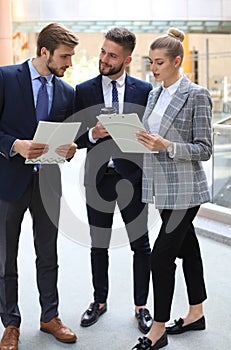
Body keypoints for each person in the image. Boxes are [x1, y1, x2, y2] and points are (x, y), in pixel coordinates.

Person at [131, 27, 212, 350]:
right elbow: (154, 137)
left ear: (178, 61)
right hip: (161, 189)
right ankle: (196, 313)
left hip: (185, 190)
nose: (154, 68)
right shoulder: (154, 93)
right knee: (188, 248)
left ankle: (158, 330)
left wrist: (168, 146)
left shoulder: (197, 95)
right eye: (151, 62)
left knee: (161, 257)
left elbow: (203, 148)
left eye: (160, 62)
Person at [0, 23, 79, 349]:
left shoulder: (66, 92)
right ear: (44, 52)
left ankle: (50, 316)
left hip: (48, 183)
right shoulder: (5, 78)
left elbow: (69, 137)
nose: (69, 63)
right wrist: (14, 145)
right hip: (9, 183)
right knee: (6, 258)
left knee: (48, 254)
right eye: (64, 56)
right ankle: (11, 323)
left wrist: (72, 147)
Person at [74, 27, 153, 333]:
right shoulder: (84, 90)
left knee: (140, 246)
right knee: (98, 244)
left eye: (112, 55)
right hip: (98, 178)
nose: (104, 59)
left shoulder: (144, 90)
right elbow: (76, 137)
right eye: (103, 52)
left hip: (132, 177)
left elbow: (153, 135)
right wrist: (94, 133)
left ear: (127, 59)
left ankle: (141, 306)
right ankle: (99, 301)